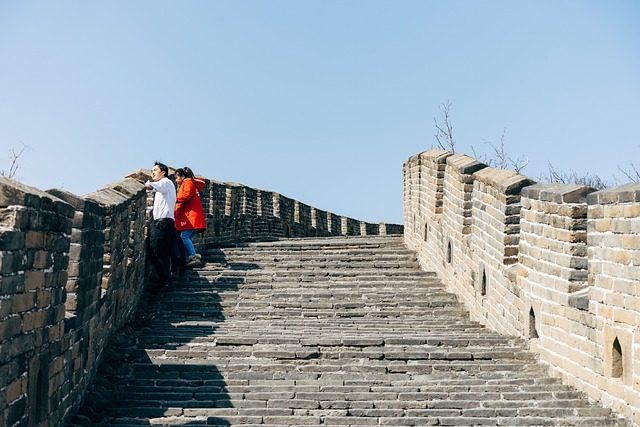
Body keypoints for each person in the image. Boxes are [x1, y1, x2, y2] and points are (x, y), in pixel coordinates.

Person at [143, 161, 177, 292]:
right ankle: (163, 282)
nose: (152, 172)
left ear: (163, 172)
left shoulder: (166, 182)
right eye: (151, 170)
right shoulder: (166, 185)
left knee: (154, 252)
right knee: (162, 254)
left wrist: (146, 185)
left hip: (163, 223)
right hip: (165, 222)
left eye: (155, 170)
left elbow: (154, 186)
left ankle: (165, 279)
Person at [174, 167, 206, 267]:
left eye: (177, 178)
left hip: (190, 217)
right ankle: (189, 259)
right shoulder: (191, 183)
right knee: (186, 238)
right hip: (194, 217)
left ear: (183, 177)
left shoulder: (187, 183)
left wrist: (173, 199)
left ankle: (193, 257)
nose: (176, 180)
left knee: (184, 236)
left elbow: (186, 196)